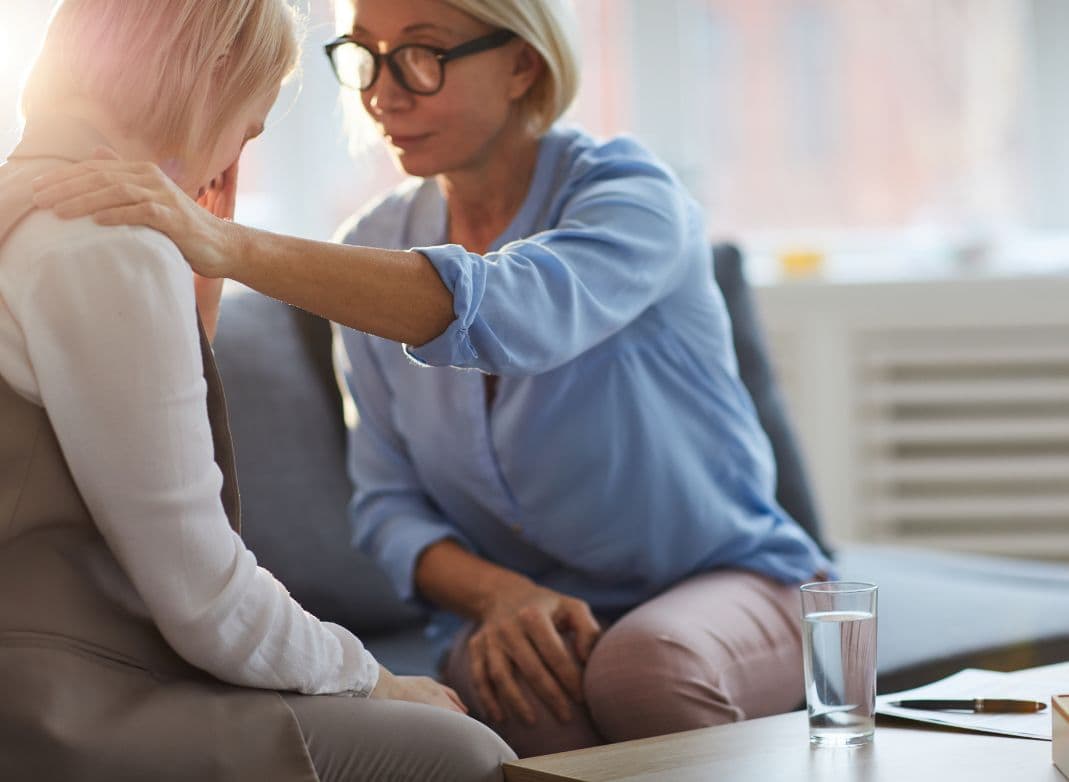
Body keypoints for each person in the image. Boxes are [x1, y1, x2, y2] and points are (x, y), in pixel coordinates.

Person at [32, 0, 835, 759]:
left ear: (521, 64)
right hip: (526, 609)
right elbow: (387, 506)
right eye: (367, 56)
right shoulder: (375, 243)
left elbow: (520, 314)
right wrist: (498, 596)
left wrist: (222, 242)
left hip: (724, 579)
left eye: (421, 53)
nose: (383, 91)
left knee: (644, 670)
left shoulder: (631, 195)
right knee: (528, 709)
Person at [0, 1, 514, 780]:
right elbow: (203, 596)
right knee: (468, 756)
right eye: (250, 124)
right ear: (209, 75)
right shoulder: (105, 242)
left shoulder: (24, 204)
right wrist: (375, 680)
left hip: (43, 682)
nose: (236, 155)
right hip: (63, 708)